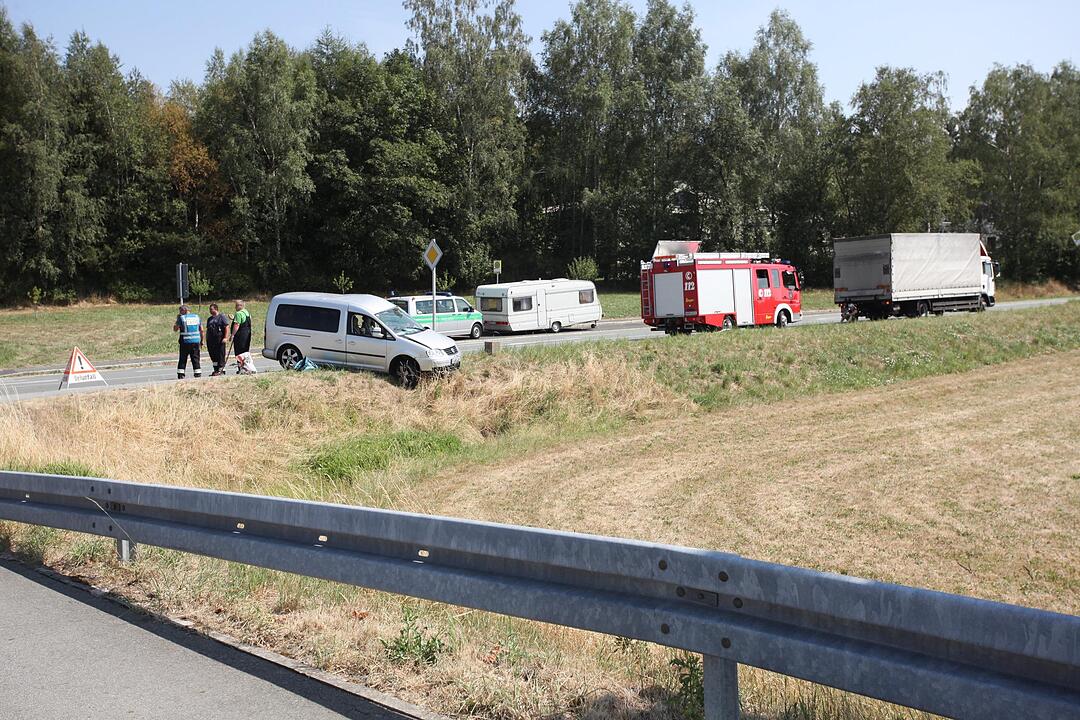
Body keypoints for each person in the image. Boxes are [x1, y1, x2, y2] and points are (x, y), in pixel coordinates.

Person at [173, 305, 203, 380]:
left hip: (185, 341)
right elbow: (201, 330)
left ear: (185, 310)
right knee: (195, 357)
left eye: (181, 311)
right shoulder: (196, 317)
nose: (180, 313)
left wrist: (177, 321)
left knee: (183, 358)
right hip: (196, 341)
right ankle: (197, 373)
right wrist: (202, 340)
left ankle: (181, 374)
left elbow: (175, 329)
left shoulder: (182, 318)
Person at [230, 299, 256, 375]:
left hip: (240, 336)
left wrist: (232, 335)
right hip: (247, 335)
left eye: (236, 305)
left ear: (239, 306)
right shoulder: (247, 312)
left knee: (239, 353)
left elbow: (237, 325)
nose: (235, 307)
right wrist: (233, 318)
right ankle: (247, 367)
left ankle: (241, 368)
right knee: (245, 352)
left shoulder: (238, 313)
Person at [205, 303, 231, 376]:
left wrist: (225, 337)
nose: (210, 311)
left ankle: (221, 369)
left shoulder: (221, 317)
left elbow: (227, 327)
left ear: (216, 309)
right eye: (210, 309)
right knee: (213, 355)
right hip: (211, 340)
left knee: (220, 354)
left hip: (219, 339)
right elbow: (208, 330)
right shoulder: (209, 319)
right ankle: (216, 369)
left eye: (211, 309)